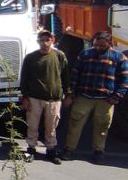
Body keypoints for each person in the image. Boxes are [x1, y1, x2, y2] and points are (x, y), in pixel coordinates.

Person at [62, 31, 128, 163]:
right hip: (84, 96)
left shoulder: (119, 58)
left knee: (102, 126)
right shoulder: (85, 54)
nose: (98, 48)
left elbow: (125, 80)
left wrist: (116, 97)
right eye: (96, 45)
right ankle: (69, 150)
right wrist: (71, 94)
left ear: (109, 44)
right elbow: (75, 75)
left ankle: (99, 151)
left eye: (102, 45)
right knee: (75, 123)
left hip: (105, 99)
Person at [19, 30, 69, 164]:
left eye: (48, 39)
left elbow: (65, 76)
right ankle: (31, 149)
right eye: (42, 40)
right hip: (34, 98)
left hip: (54, 98)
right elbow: (24, 79)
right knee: (32, 125)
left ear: (53, 40)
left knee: (51, 126)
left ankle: (51, 151)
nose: (45, 42)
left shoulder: (59, 56)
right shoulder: (30, 58)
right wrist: (25, 97)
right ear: (38, 41)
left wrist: (68, 94)